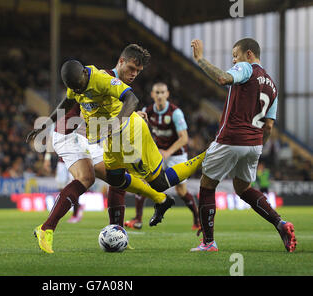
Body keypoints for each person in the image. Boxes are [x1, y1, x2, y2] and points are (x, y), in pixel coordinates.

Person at [28, 54, 206, 253]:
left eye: (137, 72)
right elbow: (71, 103)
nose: (134, 74)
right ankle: (46, 228)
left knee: (117, 178)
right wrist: (46, 125)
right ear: (121, 62)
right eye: (131, 69)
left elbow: (115, 106)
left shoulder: (103, 81)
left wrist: (126, 118)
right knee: (87, 178)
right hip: (70, 133)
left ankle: (122, 228)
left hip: (96, 135)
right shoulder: (99, 79)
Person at [190, 38, 296, 252]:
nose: (233, 59)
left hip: (231, 138)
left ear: (249, 54)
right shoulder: (272, 85)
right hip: (254, 144)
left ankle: (208, 242)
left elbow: (223, 78)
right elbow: (268, 126)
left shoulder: (246, 68)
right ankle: (281, 224)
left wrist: (200, 60)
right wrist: (257, 146)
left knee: (207, 184)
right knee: (243, 188)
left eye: (235, 55)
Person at [125, 82, 200, 230]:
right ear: (152, 95)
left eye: (162, 92)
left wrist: (167, 152)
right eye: (157, 93)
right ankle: (138, 219)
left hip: (176, 154)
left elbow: (184, 138)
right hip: (157, 153)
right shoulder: (147, 111)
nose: (159, 95)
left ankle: (197, 220)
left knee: (181, 190)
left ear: (167, 94)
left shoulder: (175, 113)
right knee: (142, 180)